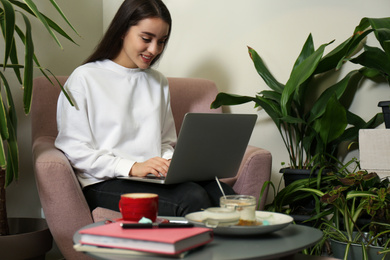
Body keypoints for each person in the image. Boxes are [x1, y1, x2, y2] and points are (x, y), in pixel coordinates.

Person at [55, 0, 235, 217]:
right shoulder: (84, 78)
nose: (154, 50)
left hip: (151, 178)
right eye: (146, 39)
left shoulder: (158, 81)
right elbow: (75, 150)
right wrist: (132, 167)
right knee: (192, 197)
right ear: (122, 30)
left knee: (225, 195)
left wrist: (168, 163)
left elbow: (165, 141)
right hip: (104, 181)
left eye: (161, 41)